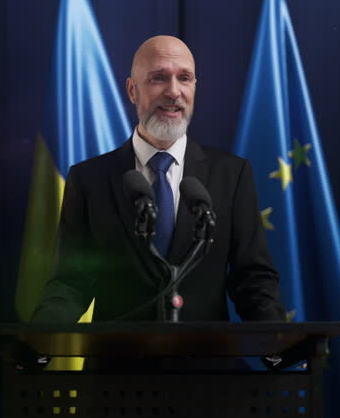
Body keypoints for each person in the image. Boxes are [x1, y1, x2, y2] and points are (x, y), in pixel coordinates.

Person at [31, 35, 286, 325]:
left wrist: (278, 343)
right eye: (158, 78)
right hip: (117, 366)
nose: (174, 91)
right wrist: (39, 341)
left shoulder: (232, 174)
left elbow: (252, 279)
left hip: (207, 366)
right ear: (132, 90)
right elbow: (70, 283)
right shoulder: (89, 179)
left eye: (185, 78)